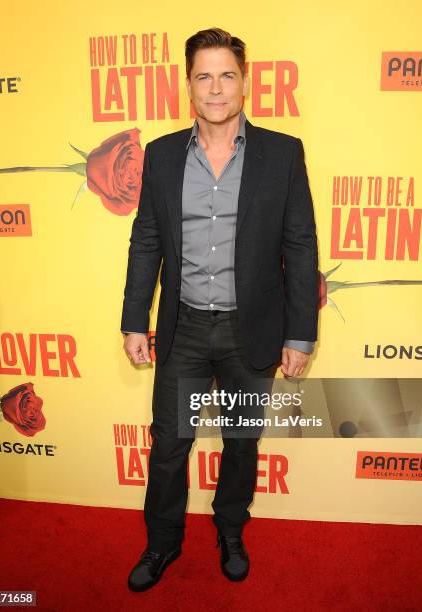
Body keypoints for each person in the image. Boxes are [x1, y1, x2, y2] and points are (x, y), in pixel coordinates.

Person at [121, 27, 319, 592]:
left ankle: (230, 529)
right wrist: (136, 318)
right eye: (203, 75)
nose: (215, 87)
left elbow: (301, 245)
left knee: (240, 443)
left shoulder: (282, 153)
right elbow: (147, 241)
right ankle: (162, 543)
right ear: (188, 85)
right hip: (182, 329)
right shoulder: (160, 156)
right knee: (168, 445)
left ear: (244, 83)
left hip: (249, 331)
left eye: (226, 74)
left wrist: (300, 333)